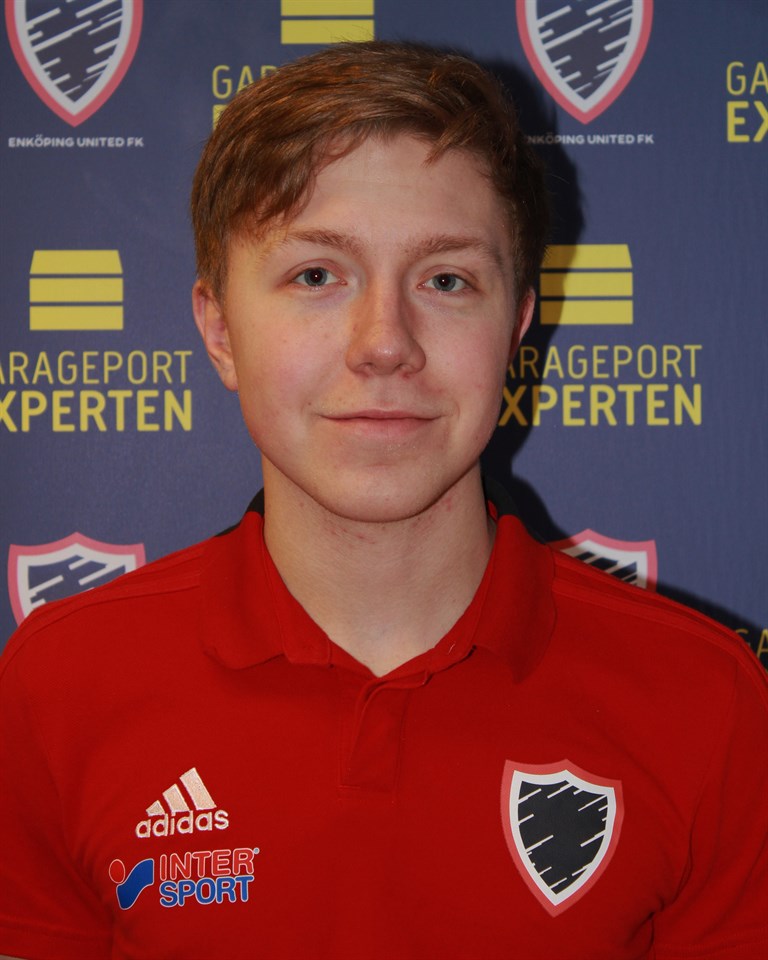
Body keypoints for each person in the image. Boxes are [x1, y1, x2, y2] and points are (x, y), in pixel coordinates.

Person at [0, 40, 766, 960]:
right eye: (316, 275)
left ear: (516, 329)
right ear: (220, 329)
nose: (384, 343)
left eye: (447, 280)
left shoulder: (706, 701)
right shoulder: (57, 687)